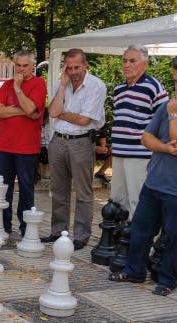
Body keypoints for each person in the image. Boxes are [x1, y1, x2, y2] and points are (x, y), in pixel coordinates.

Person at [109, 54, 177, 296]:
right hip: (155, 180)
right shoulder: (168, 105)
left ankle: (168, 279)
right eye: (175, 81)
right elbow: (146, 137)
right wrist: (165, 147)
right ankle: (134, 270)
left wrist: (173, 117)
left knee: (174, 236)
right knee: (140, 230)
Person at [44, 48, 106, 250]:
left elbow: (84, 120)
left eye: (76, 67)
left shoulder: (96, 86)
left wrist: (62, 113)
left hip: (81, 141)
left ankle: (81, 235)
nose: (73, 71)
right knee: (58, 189)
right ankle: (57, 231)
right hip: (58, 140)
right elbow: (53, 111)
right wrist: (62, 85)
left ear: (85, 64)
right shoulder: (60, 83)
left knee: (83, 191)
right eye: (69, 68)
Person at [110, 45, 169, 217]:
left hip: (140, 154)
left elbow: (165, 121)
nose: (127, 65)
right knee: (117, 199)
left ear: (144, 64)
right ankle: (119, 239)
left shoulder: (154, 87)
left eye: (132, 61)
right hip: (119, 153)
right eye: (124, 60)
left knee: (138, 200)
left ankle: (140, 241)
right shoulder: (119, 89)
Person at [0, 50, 47, 235]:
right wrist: (23, 110)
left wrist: (18, 90)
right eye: (18, 65)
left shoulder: (38, 84)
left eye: (25, 65)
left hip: (27, 147)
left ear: (32, 66)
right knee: (3, 188)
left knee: (26, 189)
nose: (21, 69)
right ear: (14, 65)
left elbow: (32, 108)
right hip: (5, 146)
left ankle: (26, 228)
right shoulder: (6, 85)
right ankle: (3, 225)